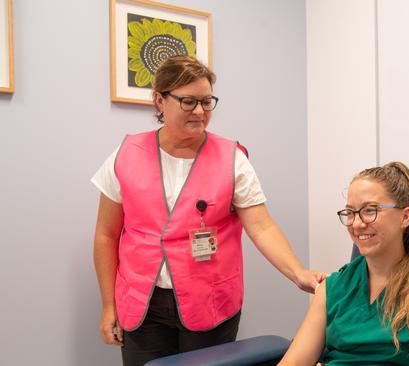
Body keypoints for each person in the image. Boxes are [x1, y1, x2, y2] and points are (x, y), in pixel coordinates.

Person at [92, 55, 324, 366]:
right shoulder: (125, 154)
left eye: (207, 101)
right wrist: (109, 305)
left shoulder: (232, 158)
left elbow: (262, 226)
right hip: (142, 305)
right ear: (160, 100)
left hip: (210, 301)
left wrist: (298, 274)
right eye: (189, 102)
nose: (200, 111)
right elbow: (106, 235)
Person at [279, 162, 409, 365]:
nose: (357, 224)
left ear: (405, 217)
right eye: (350, 212)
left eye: (370, 210)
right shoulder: (332, 289)